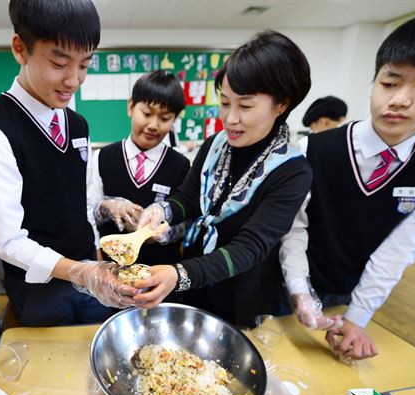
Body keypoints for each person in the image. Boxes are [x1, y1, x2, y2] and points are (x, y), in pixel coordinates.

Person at [280, 10, 415, 360]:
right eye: (389, 83)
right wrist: (300, 290)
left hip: (348, 291)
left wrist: (357, 318)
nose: (400, 99)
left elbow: (400, 248)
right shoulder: (316, 148)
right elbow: (293, 228)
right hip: (285, 279)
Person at [0, 0, 136, 327]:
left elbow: (82, 201)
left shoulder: (78, 125)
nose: (73, 80)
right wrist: (81, 272)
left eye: (84, 65)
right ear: (20, 49)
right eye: (59, 63)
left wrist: (97, 246)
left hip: (89, 272)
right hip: (39, 289)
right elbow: (7, 240)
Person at [132, 31, 313, 327]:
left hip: (237, 292)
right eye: (225, 102)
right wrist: (162, 211)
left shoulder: (292, 171)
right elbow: (188, 199)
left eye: (245, 106)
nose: (230, 118)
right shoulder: (215, 144)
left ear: (281, 105)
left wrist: (180, 274)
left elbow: (249, 248)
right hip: (191, 280)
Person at [93, 70, 190, 266]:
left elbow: (188, 220)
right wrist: (107, 207)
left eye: (164, 118)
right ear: (131, 107)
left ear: (174, 120)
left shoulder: (181, 164)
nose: (153, 125)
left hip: (162, 271)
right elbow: (89, 212)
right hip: (113, 271)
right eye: (146, 113)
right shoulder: (102, 157)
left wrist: (163, 234)